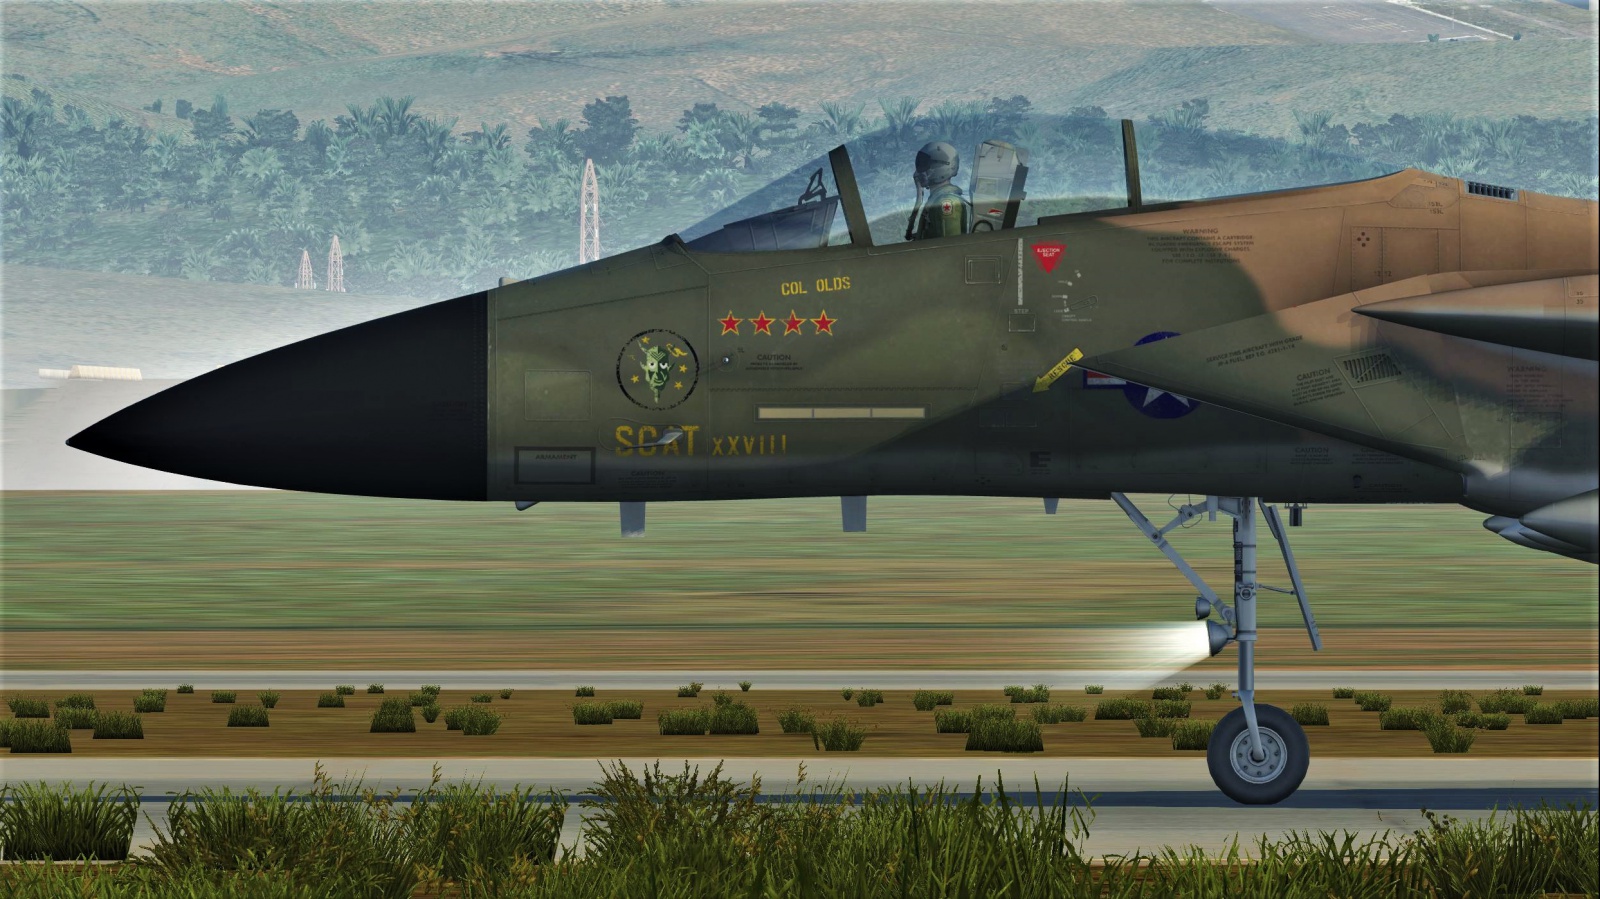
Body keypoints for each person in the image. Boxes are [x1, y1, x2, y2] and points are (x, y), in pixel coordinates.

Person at [905, 141, 969, 240]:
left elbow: (949, 245)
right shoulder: (936, 198)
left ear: (941, 166)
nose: (918, 172)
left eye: (924, 165)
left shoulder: (947, 202)